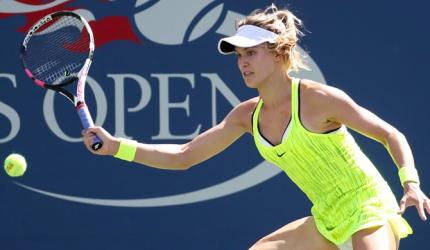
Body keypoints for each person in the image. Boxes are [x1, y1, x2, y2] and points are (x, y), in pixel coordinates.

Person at [82, 4, 430, 250]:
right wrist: (117, 147)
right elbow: (184, 156)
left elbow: (390, 134)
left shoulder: (319, 99)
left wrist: (410, 183)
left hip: (368, 208)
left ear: (278, 53)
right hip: (326, 218)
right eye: (238, 55)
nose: (243, 63)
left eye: (251, 53)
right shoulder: (246, 116)